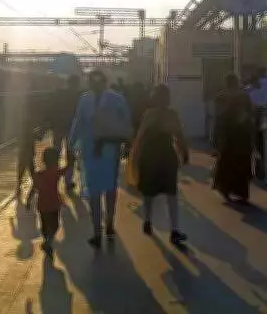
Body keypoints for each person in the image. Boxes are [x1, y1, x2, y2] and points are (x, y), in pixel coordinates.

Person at [68, 69, 132, 247]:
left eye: (98, 82)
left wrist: (127, 143)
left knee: (109, 188)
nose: (95, 85)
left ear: (104, 82)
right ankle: (97, 229)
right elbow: (78, 121)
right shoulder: (85, 99)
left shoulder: (116, 99)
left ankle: (109, 222)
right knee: (95, 190)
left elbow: (125, 122)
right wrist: (71, 142)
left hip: (109, 150)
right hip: (90, 150)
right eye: (92, 82)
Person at [131, 84, 189, 245]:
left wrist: (135, 157)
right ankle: (173, 230)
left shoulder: (150, 115)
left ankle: (150, 222)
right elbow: (178, 136)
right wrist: (184, 153)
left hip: (151, 157)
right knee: (170, 195)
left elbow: (140, 137)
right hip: (164, 157)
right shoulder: (170, 115)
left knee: (150, 194)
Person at [213, 73, 255, 203]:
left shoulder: (220, 98)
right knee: (241, 163)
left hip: (227, 137)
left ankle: (226, 190)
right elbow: (251, 115)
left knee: (226, 164)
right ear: (236, 82)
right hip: (242, 137)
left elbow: (218, 118)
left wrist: (215, 137)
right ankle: (242, 194)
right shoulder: (244, 97)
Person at [29, 146, 70, 257]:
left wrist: (28, 200)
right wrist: (71, 159)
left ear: (43, 161)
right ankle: (48, 242)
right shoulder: (55, 172)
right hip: (54, 205)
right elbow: (65, 169)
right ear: (56, 160)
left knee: (44, 226)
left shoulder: (38, 175)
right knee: (55, 225)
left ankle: (47, 240)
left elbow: (33, 189)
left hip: (42, 205)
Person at [52, 74, 82, 190]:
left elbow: (52, 108)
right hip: (72, 129)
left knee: (55, 154)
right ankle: (68, 181)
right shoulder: (79, 96)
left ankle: (53, 179)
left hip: (58, 127)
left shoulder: (59, 94)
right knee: (70, 156)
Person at [16, 109, 37, 204]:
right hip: (28, 154)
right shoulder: (30, 132)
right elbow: (32, 143)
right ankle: (35, 185)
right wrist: (33, 152)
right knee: (31, 171)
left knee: (21, 171)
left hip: (23, 154)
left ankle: (18, 187)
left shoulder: (22, 131)